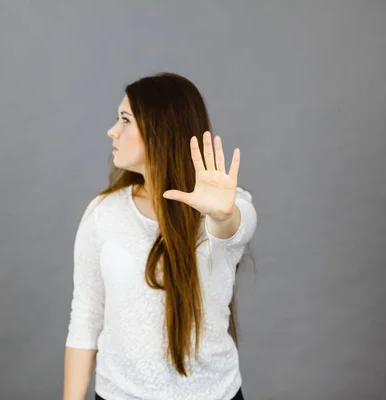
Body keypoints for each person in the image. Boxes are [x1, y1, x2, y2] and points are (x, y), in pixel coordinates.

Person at [63, 72, 258, 400]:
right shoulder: (103, 211)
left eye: (125, 120)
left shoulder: (225, 206)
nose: (112, 131)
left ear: (160, 129)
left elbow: (233, 230)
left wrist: (224, 214)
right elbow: (85, 316)